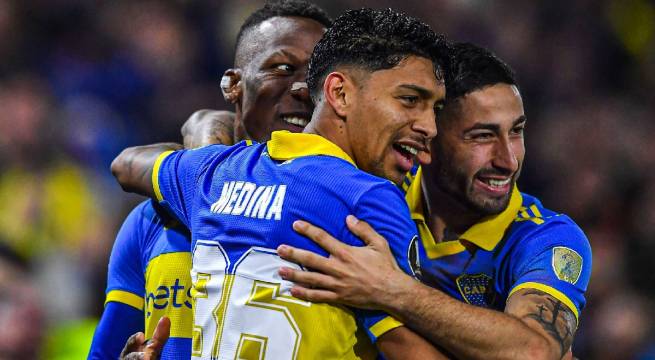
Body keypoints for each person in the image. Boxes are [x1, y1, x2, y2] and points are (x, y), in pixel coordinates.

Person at [111, 7, 450, 359]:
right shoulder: (368, 198)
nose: (429, 127)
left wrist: (204, 131)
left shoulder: (213, 174)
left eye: (434, 109)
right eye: (410, 100)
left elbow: (125, 164)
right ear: (339, 93)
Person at [276, 43, 592, 360]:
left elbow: (535, 351)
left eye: (516, 131)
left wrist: (392, 290)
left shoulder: (544, 237)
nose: (508, 160)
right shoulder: (375, 197)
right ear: (429, 139)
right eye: (482, 136)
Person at [88, 1, 332, 359]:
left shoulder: (344, 215)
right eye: (283, 68)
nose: (301, 88)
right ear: (233, 85)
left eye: (318, 77)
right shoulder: (151, 221)